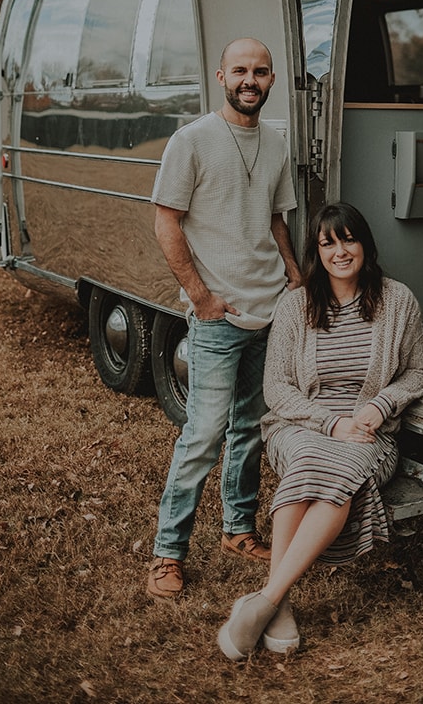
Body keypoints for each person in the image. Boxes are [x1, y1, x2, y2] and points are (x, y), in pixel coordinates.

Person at [216, 202, 423, 660]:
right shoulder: (296, 306)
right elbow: (277, 388)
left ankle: (267, 600)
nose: (340, 252)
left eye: (348, 239)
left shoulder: (398, 301)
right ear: (317, 252)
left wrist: (380, 405)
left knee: (340, 470)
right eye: (327, 243)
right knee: (312, 458)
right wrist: (330, 423)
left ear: (364, 244)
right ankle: (277, 601)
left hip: (369, 433)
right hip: (300, 425)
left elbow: (418, 373)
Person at [147, 37, 301, 600]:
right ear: (221, 77)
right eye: (240, 71)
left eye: (260, 71)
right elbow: (166, 221)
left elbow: (275, 219)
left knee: (251, 427)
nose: (249, 80)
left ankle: (238, 529)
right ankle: (167, 553)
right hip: (217, 318)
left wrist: (293, 273)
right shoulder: (191, 141)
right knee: (204, 435)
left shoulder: (275, 143)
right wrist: (201, 297)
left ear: (272, 79)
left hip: (268, 311)